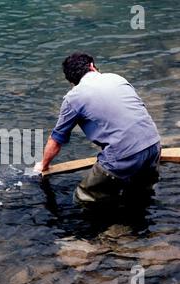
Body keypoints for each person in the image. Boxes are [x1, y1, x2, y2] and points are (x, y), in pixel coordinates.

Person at [34, 52, 161, 205]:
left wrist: (43, 165)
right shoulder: (117, 78)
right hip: (154, 145)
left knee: (84, 197)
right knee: (139, 194)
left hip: (123, 155)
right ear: (92, 67)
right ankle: (139, 225)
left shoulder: (74, 97)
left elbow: (56, 140)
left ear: (71, 80)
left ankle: (107, 228)